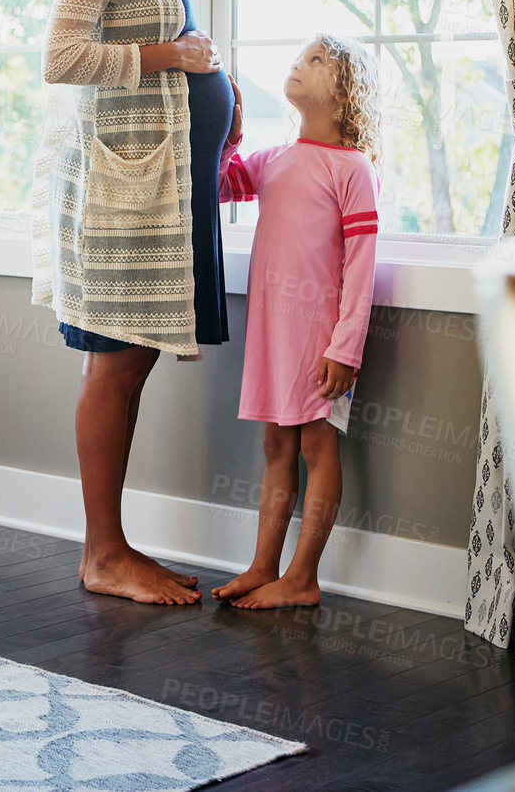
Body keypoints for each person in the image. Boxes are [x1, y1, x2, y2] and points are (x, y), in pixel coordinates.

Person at [30, 0, 238, 605]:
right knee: (115, 365)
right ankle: (104, 555)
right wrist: (173, 59)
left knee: (131, 362)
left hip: (157, 187)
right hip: (122, 194)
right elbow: (64, 58)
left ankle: (111, 549)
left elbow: (166, 54)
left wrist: (218, 84)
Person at [209, 34, 382, 610]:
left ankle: (303, 578)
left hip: (321, 337)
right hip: (272, 336)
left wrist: (346, 347)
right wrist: (228, 131)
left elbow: (361, 267)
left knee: (317, 447)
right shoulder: (274, 158)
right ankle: (264, 566)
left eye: (316, 61)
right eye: (299, 57)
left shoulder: (354, 169)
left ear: (342, 95)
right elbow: (220, 183)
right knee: (275, 445)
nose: (298, 65)